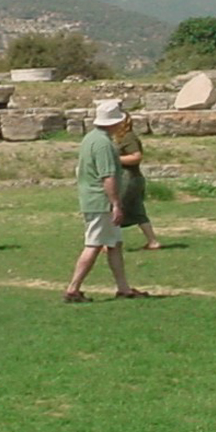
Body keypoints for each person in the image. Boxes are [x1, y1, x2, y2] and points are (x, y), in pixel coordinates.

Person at [63, 99, 148, 303]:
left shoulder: (90, 138)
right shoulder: (103, 144)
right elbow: (107, 176)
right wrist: (116, 204)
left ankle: (123, 288)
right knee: (94, 244)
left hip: (93, 198)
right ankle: (73, 288)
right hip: (100, 202)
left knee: (115, 243)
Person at [113, 112, 160, 250]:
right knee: (138, 211)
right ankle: (153, 241)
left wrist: (114, 159)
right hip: (133, 178)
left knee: (116, 208)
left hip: (129, 179)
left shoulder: (128, 138)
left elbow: (136, 157)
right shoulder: (121, 138)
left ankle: (109, 242)